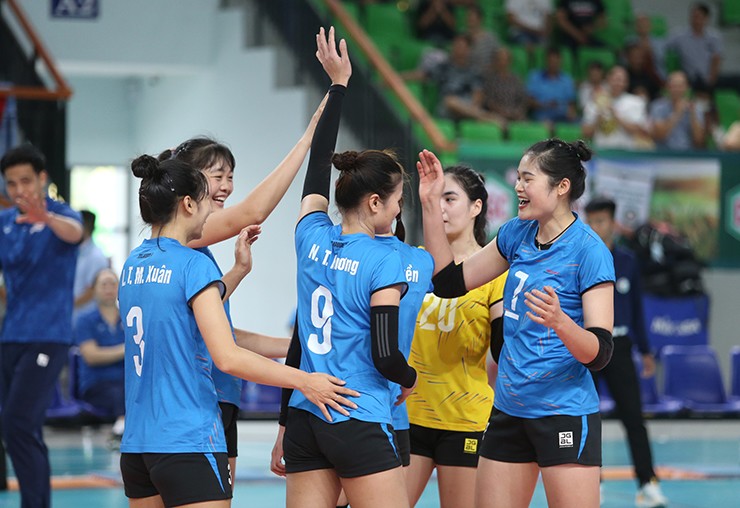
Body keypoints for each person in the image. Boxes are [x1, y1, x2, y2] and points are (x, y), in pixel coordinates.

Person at [118, 153, 358, 508]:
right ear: (188, 204)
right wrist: (306, 381)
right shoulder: (193, 263)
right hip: (188, 440)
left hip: (137, 447)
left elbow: (182, 317)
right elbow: (228, 357)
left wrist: (238, 271)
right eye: (205, 201)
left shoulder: (132, 265)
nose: (209, 213)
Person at [417, 138, 615, 508]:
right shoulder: (515, 234)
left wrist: (561, 322)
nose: (518, 187)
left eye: (527, 179)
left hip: (563, 412)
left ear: (561, 187)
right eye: (518, 178)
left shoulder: (590, 252)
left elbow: (601, 352)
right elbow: (447, 283)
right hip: (509, 409)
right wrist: (430, 203)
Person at [281, 27, 416, 508]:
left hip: (306, 414)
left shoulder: (310, 234)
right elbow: (385, 354)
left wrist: (338, 86)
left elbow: (318, 166)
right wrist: (409, 379)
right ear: (375, 202)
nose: (399, 211)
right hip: (357, 413)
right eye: (397, 201)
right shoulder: (385, 258)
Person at [159, 110, 327, 481]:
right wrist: (308, 140)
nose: (226, 186)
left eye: (230, 177)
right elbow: (253, 211)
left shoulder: (196, 252)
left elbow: (222, 334)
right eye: (217, 176)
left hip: (219, 396)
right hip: (198, 402)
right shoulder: (184, 238)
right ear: (188, 185)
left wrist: (297, 346)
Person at [405, 166, 506, 508]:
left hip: (465, 419)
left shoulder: (494, 271)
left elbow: (503, 349)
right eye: (436, 200)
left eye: (450, 199)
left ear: (476, 207)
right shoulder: (413, 262)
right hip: (408, 414)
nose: (441, 208)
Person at [0, 143, 83, 508]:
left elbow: (74, 233)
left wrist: (45, 218)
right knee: (18, 426)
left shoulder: (61, 215)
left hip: (48, 338)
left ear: (42, 179)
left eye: (25, 181)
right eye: (11, 183)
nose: (19, 190)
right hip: (10, 337)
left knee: (18, 422)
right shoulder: (5, 223)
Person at [584, 197, 668, 508]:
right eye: (591, 221)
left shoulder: (628, 262)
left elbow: (636, 309)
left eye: (602, 220)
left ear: (613, 223)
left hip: (620, 347)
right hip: (589, 346)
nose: (596, 226)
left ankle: (647, 484)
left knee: (634, 418)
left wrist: (645, 351)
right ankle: (593, 483)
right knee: (587, 417)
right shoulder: (581, 258)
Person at [74, 268, 125, 442]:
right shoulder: (85, 320)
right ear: (94, 289)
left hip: (126, 381)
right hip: (96, 384)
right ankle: (121, 427)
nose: (109, 289)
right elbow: (91, 356)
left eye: (113, 284)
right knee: (118, 392)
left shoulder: (129, 317)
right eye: (103, 285)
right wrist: (125, 349)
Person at [582, 66, 651, 150]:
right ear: (608, 79)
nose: (618, 83)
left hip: (627, 152)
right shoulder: (595, 101)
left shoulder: (636, 102)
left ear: (627, 82)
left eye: (621, 80)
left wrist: (616, 116)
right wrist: (598, 118)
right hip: (601, 153)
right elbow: (586, 133)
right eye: (615, 79)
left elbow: (639, 131)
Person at [665, 2, 722, 91]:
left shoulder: (714, 37)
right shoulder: (679, 36)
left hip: (708, 77)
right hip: (689, 77)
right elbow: (663, 46)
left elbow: (716, 58)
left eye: (698, 17)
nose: (695, 20)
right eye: (693, 16)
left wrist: (712, 78)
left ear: (706, 18)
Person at [649, 70, 706, 151]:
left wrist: (693, 115)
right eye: (674, 86)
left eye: (680, 86)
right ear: (667, 87)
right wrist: (677, 112)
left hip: (688, 153)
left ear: (687, 88)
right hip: (663, 153)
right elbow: (660, 135)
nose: (677, 89)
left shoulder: (696, 108)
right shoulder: (657, 106)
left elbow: (699, 141)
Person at [526, 47, 578, 123]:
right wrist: (545, 105)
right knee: (546, 124)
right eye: (551, 61)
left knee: (579, 123)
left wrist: (571, 112)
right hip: (542, 114)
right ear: (546, 61)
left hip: (562, 115)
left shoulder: (567, 80)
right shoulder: (535, 77)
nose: (553, 64)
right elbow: (529, 101)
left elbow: (571, 103)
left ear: (560, 61)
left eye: (555, 61)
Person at [73, 210, 110, 318]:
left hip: (87, 317)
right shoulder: (77, 252)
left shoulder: (96, 256)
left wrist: (67, 305)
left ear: (84, 228)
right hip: (76, 315)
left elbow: (92, 291)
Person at [482, 47, 529, 128]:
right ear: (495, 61)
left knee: (526, 127)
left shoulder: (516, 79)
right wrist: (503, 112)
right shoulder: (489, 79)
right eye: (499, 59)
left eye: (505, 59)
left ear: (510, 61)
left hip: (516, 114)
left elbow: (523, 100)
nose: (502, 62)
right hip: (497, 114)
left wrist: (516, 112)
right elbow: (488, 101)